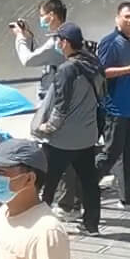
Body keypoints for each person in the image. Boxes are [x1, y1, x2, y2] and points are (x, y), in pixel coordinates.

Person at [31, 24, 105, 235]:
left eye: (58, 40)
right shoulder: (93, 64)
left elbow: (61, 107)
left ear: (64, 42)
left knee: (46, 182)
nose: (57, 44)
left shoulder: (66, 69)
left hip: (62, 139)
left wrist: (47, 128)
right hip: (87, 136)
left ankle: (39, 223)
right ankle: (92, 224)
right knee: (89, 182)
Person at [92, 2, 130, 209]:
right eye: (126, 17)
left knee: (127, 154)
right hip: (114, 108)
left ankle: (129, 198)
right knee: (110, 154)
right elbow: (101, 72)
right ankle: (82, 189)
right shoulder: (110, 42)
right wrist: (129, 69)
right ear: (117, 18)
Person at [12, 0, 69, 104]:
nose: (41, 19)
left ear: (51, 15)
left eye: (42, 15)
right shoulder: (66, 36)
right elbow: (42, 54)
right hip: (57, 98)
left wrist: (20, 37)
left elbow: (28, 60)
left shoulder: (56, 42)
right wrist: (28, 36)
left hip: (53, 101)